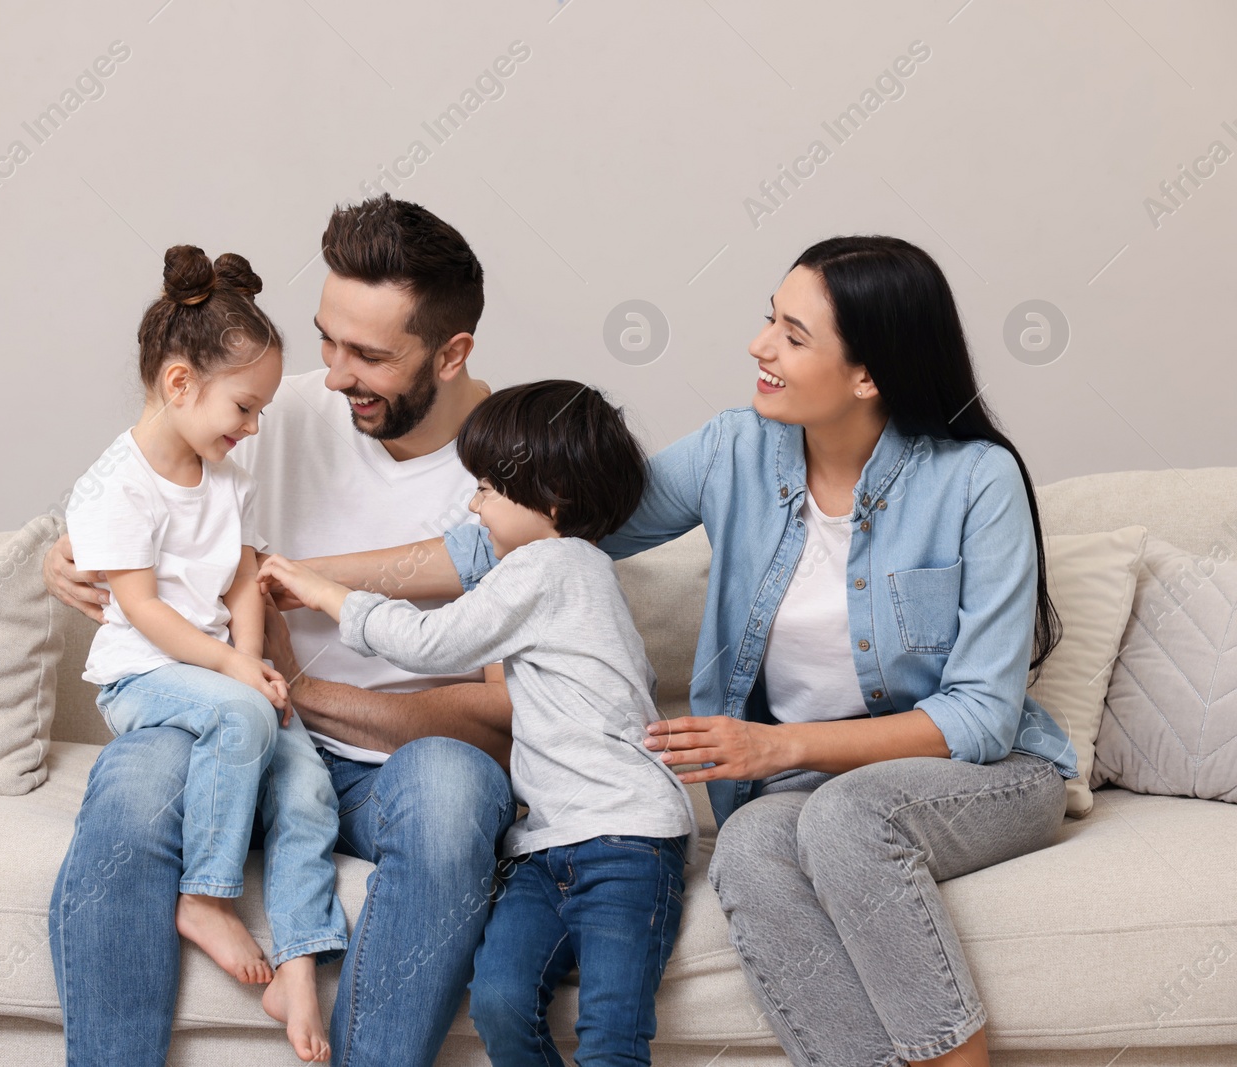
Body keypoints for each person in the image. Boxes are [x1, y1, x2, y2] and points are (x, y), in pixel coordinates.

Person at [317, 236, 1080, 1067]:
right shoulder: (735, 451)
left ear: (869, 375)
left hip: (982, 776)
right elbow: (536, 530)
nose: (759, 346)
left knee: (843, 816)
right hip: (806, 789)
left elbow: (979, 715)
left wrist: (779, 744)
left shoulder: (976, 480)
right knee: (751, 845)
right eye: (768, 320)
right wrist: (291, 575)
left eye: (793, 335)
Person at [44, 197, 516, 1066]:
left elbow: (506, 716)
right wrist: (65, 556)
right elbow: (144, 496)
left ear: (450, 355)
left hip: (382, 770)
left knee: (455, 787)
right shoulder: (268, 406)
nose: (334, 377)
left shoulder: (518, 466)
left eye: (368, 355)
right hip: (238, 734)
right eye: (328, 340)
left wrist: (301, 696)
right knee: (139, 775)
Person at [257, 380, 697, 1067]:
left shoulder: (554, 568)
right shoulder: (549, 572)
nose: (474, 504)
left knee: (612, 1037)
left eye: (490, 487)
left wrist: (320, 590)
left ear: (550, 501)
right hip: (546, 845)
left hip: (625, 839)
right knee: (499, 999)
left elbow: (432, 643)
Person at [52, 245, 346, 1063]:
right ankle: (204, 895)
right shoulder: (118, 485)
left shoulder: (221, 473)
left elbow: (244, 578)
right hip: (146, 675)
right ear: (180, 383)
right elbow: (140, 609)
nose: (252, 428)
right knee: (243, 714)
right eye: (245, 408)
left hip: (221, 681)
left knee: (310, 787)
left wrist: (255, 663)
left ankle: (297, 958)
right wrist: (231, 675)